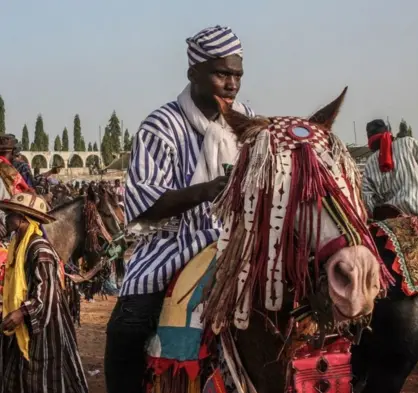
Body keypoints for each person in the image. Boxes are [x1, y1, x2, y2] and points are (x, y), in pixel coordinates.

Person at [104, 25, 253, 393]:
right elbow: (146, 206)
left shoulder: (247, 119)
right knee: (127, 327)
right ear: (193, 73)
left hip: (236, 242)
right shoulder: (162, 125)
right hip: (174, 245)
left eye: (237, 75)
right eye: (222, 73)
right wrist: (211, 189)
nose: (232, 84)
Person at [0, 192, 88, 393]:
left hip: (42, 326)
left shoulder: (40, 251)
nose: (6, 217)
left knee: (42, 377)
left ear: (23, 219)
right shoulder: (18, 246)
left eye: (10, 214)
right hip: (25, 322)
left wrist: (21, 313)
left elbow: (45, 295)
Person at [362, 119, 418, 219]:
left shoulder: (369, 164)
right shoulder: (408, 143)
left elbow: (369, 201)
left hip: (396, 225)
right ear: (388, 132)